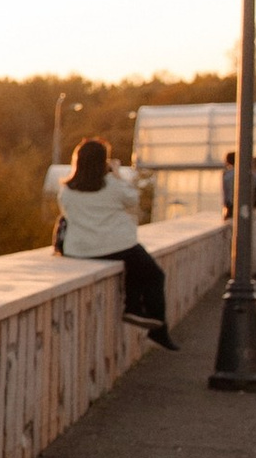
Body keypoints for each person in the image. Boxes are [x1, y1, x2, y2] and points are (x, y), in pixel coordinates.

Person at [57, 136, 175, 348]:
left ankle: (135, 309)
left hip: (80, 249)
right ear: (103, 161)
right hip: (116, 246)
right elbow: (133, 199)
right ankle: (153, 325)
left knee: (134, 262)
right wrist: (118, 173)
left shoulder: (66, 191)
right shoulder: (112, 185)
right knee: (153, 274)